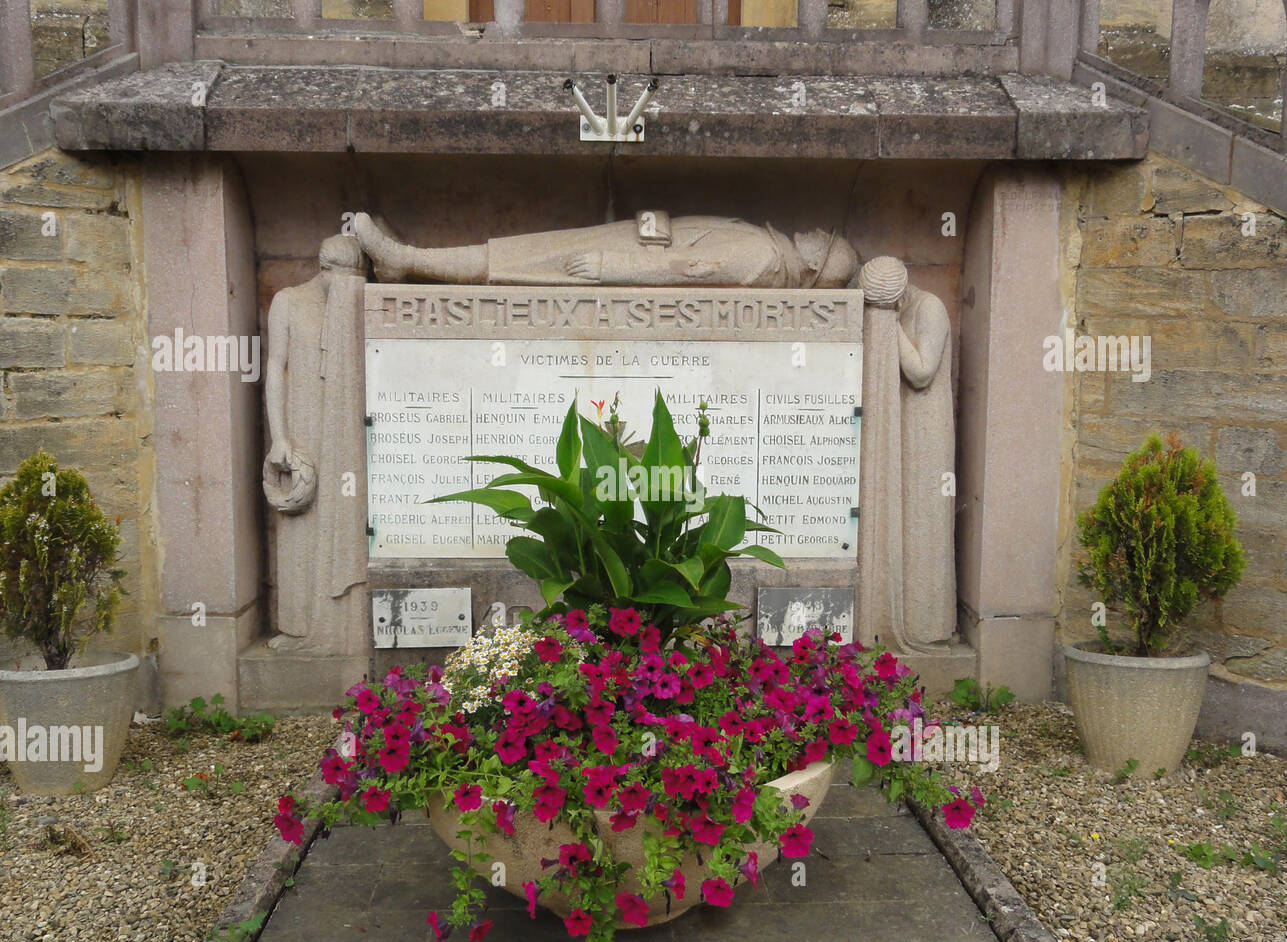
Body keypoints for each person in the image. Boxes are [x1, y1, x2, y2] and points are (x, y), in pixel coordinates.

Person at [262, 234, 370, 654]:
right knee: (301, 527)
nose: (347, 285)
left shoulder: (357, 298)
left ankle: (342, 624)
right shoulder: (288, 301)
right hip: (303, 423)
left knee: (346, 516)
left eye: (354, 278)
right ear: (323, 269)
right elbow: (276, 368)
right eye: (340, 277)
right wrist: (279, 436)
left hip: (346, 424)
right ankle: (300, 627)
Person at [352, 211, 858, 289]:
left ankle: (406, 260)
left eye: (827, 240)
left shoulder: (764, 260)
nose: (818, 230)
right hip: (631, 238)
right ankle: (407, 257)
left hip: (619, 257)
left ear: (814, 261)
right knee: (516, 251)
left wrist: (611, 266)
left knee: (513, 260)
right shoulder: (767, 244)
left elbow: (685, 269)